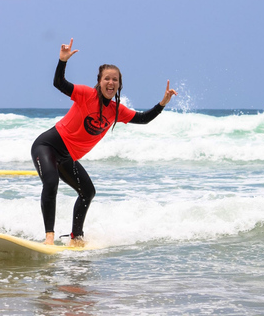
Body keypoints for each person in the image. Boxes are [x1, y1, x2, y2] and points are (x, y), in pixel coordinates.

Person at [31, 38, 178, 247]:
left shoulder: (117, 111)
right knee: (51, 183)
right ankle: (49, 238)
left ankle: (76, 238)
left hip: (67, 157)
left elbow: (143, 119)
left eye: (115, 80)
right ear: (99, 81)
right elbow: (59, 83)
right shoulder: (85, 94)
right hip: (47, 146)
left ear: (119, 84)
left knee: (88, 192)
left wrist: (163, 103)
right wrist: (62, 61)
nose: (111, 83)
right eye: (107, 78)